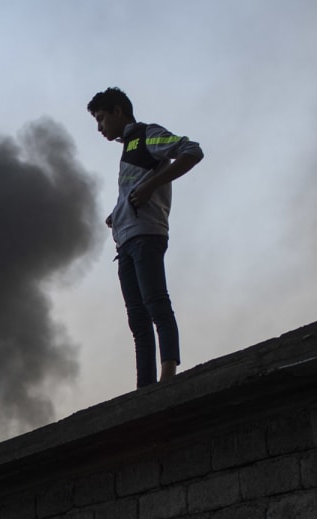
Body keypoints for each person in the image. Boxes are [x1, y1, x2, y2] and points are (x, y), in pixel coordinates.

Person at [87, 86, 204, 389]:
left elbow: (191, 151)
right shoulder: (128, 149)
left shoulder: (146, 134)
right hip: (125, 241)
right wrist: (118, 211)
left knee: (156, 304)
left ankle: (168, 376)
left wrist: (151, 185)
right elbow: (134, 190)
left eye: (101, 118)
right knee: (137, 319)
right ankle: (145, 388)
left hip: (145, 236)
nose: (99, 127)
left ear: (117, 111)